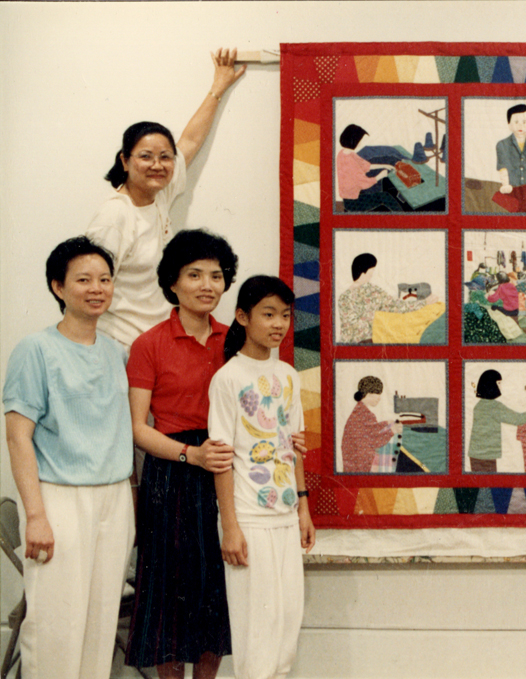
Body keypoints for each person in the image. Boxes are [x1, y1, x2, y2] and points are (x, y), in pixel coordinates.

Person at [3, 236, 134, 678]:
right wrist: (35, 515)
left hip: (114, 499)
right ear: (59, 287)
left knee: (100, 625)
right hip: (59, 499)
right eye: (83, 280)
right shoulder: (35, 350)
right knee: (58, 623)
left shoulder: (117, 354)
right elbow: (18, 437)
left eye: (105, 279)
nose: (96, 288)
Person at [124, 229, 239, 678]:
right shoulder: (148, 344)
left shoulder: (235, 341)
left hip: (225, 472)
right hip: (170, 475)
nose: (207, 285)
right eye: (195, 275)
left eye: (216, 275)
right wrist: (192, 455)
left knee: (216, 587)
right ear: (173, 282)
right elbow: (137, 428)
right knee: (169, 594)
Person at [86, 49, 246, 348]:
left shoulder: (160, 194)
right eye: (146, 157)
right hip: (121, 348)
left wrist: (218, 87)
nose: (157, 165)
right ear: (125, 160)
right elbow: (88, 289)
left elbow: (190, 141)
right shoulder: (115, 215)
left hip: (158, 345)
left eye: (164, 157)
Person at [209, 275, 315, 679]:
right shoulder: (228, 378)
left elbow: (295, 446)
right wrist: (230, 528)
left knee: (286, 625)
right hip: (248, 520)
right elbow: (220, 459)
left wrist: (303, 505)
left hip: (286, 516)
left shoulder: (288, 375)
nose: (278, 324)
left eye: (285, 315)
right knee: (257, 634)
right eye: (268, 314)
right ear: (242, 317)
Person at [337, 253, 439, 343]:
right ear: (363, 273)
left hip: (365, 341)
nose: (371, 276)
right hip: (357, 343)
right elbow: (353, 325)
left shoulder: (371, 290)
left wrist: (423, 302)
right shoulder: (349, 296)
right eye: (371, 273)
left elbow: (395, 305)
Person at [466, 369, 526, 473]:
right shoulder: (494, 407)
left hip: (475, 453)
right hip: (487, 454)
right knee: (488, 483)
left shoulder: (478, 405)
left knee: (479, 482)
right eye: (499, 383)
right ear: (491, 384)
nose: (500, 386)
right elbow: (516, 419)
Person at [336, 123, 403, 212]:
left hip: (351, 195)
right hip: (353, 202)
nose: (361, 143)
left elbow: (365, 165)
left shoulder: (344, 153)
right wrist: (381, 176)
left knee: (376, 189)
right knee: (385, 197)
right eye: (360, 140)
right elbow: (363, 183)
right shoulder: (350, 162)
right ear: (354, 141)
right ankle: (403, 218)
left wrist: (385, 165)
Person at [341, 376, 403, 473]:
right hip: (360, 466)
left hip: (352, 462)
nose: (379, 398)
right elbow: (375, 441)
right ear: (368, 394)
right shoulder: (366, 415)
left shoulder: (358, 411)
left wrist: (385, 423)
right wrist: (393, 431)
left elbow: (370, 429)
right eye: (377, 394)